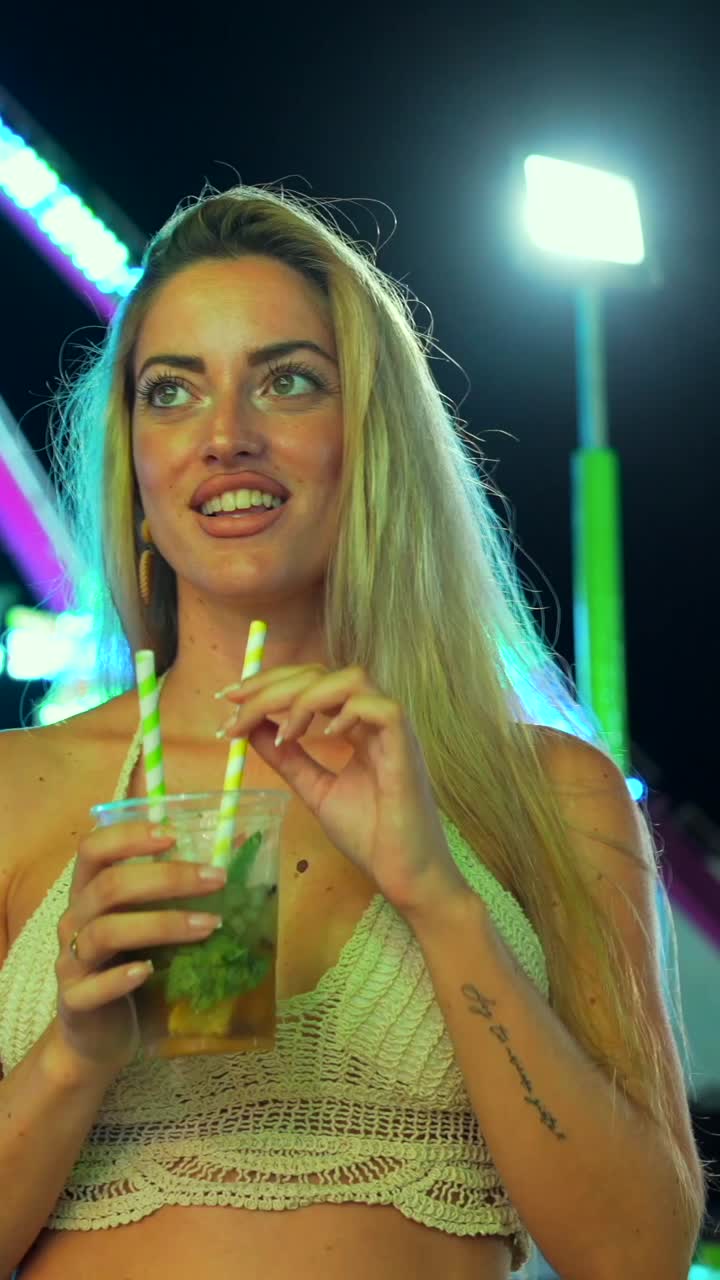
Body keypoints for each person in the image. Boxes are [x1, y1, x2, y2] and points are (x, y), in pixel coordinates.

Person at [0, 182, 708, 1279]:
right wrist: (73, 1053)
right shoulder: (22, 788)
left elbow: (638, 1252)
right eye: (173, 390)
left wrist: (440, 896)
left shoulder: (549, 793)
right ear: (136, 463)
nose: (226, 436)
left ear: (370, 434)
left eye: (287, 381)